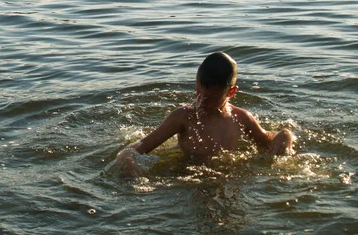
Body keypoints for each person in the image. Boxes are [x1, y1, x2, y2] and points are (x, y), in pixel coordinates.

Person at [117, 51, 295, 176]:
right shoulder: (184, 117)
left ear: (231, 92)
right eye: (198, 92)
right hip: (185, 176)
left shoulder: (241, 119)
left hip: (226, 178)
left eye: (210, 97)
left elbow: (268, 142)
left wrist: (286, 135)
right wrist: (128, 160)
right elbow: (140, 146)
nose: (201, 101)